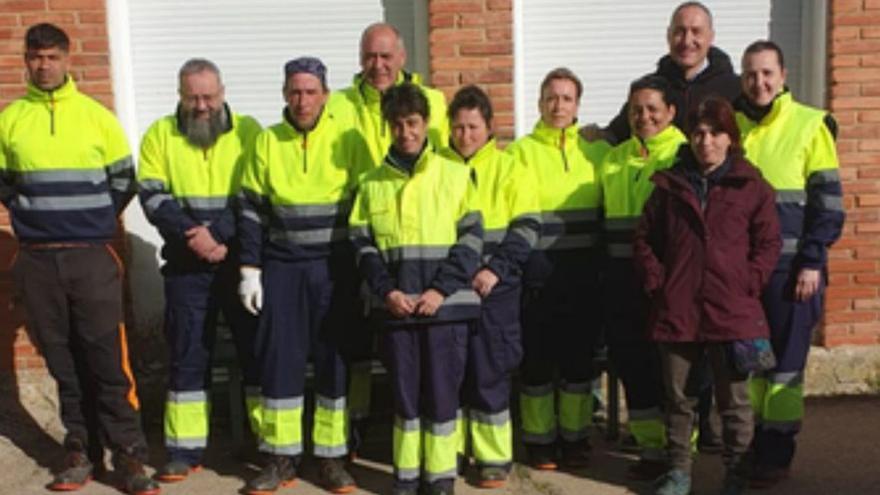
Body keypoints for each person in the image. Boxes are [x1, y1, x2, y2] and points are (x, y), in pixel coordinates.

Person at [0, 23, 159, 495]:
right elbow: (4, 185)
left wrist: (90, 223)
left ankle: (129, 455)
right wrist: (36, 219)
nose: (44, 65)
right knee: (61, 361)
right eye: (36, 57)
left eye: (52, 56)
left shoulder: (96, 118)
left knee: (107, 358)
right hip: (37, 260)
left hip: (91, 257)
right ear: (26, 60)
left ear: (67, 59)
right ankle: (80, 449)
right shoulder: (10, 121)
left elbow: (123, 181)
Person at [634, 97, 781, 495]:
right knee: (678, 399)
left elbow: (769, 243)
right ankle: (679, 471)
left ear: (730, 138)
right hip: (678, 308)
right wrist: (657, 281)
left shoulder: (752, 186)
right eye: (698, 133)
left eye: (715, 133)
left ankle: (736, 473)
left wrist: (748, 282)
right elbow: (645, 238)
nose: (706, 141)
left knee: (733, 401)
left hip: (731, 309)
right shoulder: (669, 185)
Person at [237, 57, 368, 494]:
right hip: (283, 268)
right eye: (294, 91)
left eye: (311, 91)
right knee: (281, 361)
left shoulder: (349, 138)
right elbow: (251, 212)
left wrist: (366, 270)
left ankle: (331, 458)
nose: (302, 99)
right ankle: (281, 457)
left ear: (326, 95)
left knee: (334, 361)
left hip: (334, 269)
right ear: (283, 94)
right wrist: (250, 270)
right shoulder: (267, 142)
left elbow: (366, 207)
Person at [349, 82, 482, 495]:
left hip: (446, 310)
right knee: (405, 400)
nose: (405, 132)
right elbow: (362, 243)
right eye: (397, 124)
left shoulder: (456, 176)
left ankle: (440, 478)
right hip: (398, 311)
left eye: (413, 123)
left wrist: (440, 291)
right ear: (387, 127)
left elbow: (472, 241)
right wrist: (387, 291)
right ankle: (406, 478)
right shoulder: (371, 183)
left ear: (427, 124)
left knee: (443, 396)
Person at [137, 58, 262, 483]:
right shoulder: (160, 134)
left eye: (209, 97)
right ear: (180, 96)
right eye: (193, 98)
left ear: (223, 93)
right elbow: (152, 196)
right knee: (188, 356)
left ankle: (266, 446)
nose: (202, 106)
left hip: (240, 263)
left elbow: (254, 194)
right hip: (186, 267)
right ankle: (183, 450)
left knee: (256, 353)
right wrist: (192, 234)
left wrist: (219, 235)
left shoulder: (249, 132)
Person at [733, 40, 845, 489]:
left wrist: (813, 261)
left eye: (766, 74)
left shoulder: (810, 124)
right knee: (753, 364)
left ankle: (777, 454)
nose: (758, 83)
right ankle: (755, 446)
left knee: (785, 369)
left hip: (794, 273)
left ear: (783, 77)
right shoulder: (733, 127)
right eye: (750, 74)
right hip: (746, 276)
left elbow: (829, 205)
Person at [335, 23, 450, 442]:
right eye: (369, 56)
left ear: (403, 57)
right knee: (357, 336)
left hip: (415, 237)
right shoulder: (339, 104)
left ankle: (422, 426)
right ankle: (359, 417)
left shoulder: (434, 101)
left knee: (415, 337)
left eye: (386, 56)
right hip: (361, 227)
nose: (378, 65)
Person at [506, 67, 610, 470]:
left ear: (578, 105)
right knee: (538, 362)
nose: (559, 105)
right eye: (551, 97)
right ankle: (539, 440)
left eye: (567, 98)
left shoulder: (597, 152)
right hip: (537, 273)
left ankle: (576, 436)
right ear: (539, 103)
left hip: (583, 273)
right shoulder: (520, 152)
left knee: (578, 363)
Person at [439, 85, 539, 488]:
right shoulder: (436, 167)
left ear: (489, 127)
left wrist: (495, 270)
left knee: (489, 370)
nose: (465, 135)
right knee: (451, 372)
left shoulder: (511, 167)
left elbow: (527, 228)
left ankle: (494, 457)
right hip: (450, 286)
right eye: (459, 127)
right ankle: (454, 451)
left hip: (495, 287)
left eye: (473, 127)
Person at [599, 75, 687, 480]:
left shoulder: (683, 156)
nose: (644, 116)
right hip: (620, 283)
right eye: (636, 109)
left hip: (666, 284)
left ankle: (680, 453)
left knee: (671, 371)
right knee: (633, 365)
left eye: (653, 109)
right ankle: (650, 449)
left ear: (670, 111)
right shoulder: (612, 158)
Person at [584, 1, 740, 146]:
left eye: (696, 31)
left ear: (711, 37)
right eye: (680, 31)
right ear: (668, 35)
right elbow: (618, 135)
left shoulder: (734, 89)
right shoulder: (651, 89)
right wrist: (596, 135)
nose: (687, 41)